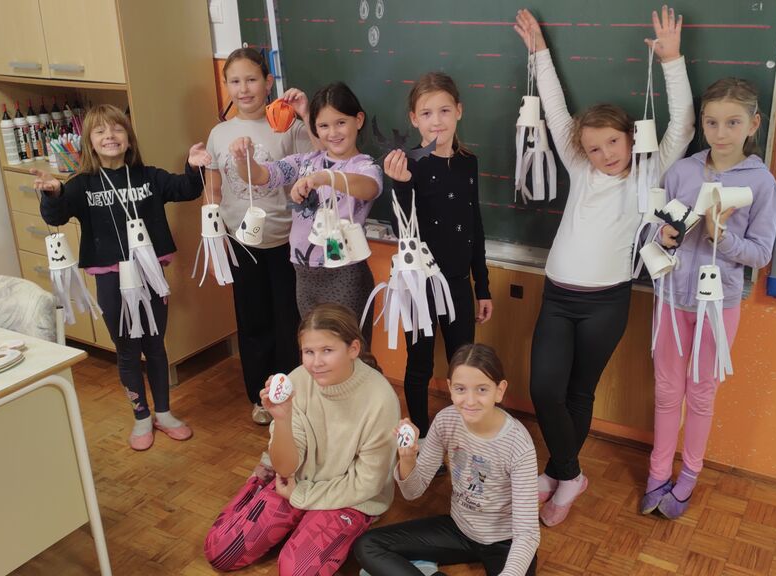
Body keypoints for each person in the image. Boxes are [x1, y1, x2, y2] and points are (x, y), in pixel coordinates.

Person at [513, 5, 695, 525]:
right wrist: (539, 52)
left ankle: (558, 473)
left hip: (606, 303)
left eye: (613, 141)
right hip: (558, 296)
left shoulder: (649, 169)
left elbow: (683, 122)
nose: (605, 153)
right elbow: (554, 110)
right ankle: (571, 474)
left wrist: (672, 60)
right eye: (594, 148)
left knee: (578, 391)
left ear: (631, 137)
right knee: (544, 388)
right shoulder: (580, 168)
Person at [641, 77, 776, 519]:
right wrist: (662, 236)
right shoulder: (682, 171)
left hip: (717, 307)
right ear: (702, 123)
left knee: (701, 394)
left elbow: (760, 254)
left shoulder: (761, 184)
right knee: (667, 390)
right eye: (712, 122)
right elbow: (651, 229)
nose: (721, 133)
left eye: (733, 122)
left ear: (753, 125)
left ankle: (689, 475)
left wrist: (723, 236)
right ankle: (657, 472)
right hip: (670, 298)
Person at [35, 104, 210, 450]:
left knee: (155, 345)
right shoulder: (81, 185)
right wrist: (52, 193)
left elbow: (186, 189)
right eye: (100, 131)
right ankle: (141, 416)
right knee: (127, 350)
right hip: (110, 279)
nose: (110, 136)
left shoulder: (149, 177)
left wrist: (193, 166)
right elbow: (55, 216)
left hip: (149, 275)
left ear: (129, 138)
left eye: (117, 129)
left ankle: (163, 413)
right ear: (90, 142)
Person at [204, 303, 400, 575]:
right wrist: (282, 419)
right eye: (308, 352)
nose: (316, 363)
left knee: (296, 571)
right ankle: (263, 488)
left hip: (349, 497)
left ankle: (308, 516)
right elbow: (285, 468)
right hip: (297, 480)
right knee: (220, 551)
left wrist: (303, 496)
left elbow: (367, 483)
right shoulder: (297, 381)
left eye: (327, 350)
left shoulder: (381, 399)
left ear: (353, 349)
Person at [354, 343, 538, 576]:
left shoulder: (518, 445)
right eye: (460, 389)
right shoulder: (445, 421)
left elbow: (527, 534)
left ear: (499, 390)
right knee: (367, 545)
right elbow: (413, 492)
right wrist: (407, 457)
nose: (470, 401)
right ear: (450, 388)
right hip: (458, 530)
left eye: (482, 389)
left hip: (504, 543)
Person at [205, 47, 313, 425]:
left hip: (285, 241)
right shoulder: (219, 133)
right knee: (252, 321)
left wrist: (305, 115)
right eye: (235, 81)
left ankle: (289, 393)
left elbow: (319, 158)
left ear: (268, 83)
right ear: (226, 86)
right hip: (241, 243)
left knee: (288, 322)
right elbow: (214, 188)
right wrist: (214, 235)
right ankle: (260, 396)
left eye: (251, 80)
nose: (244, 89)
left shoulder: (287, 126)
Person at [383, 71, 493, 442]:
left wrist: (483, 287)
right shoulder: (409, 166)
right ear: (414, 119)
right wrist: (400, 185)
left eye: (444, 111)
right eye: (427, 113)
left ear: (459, 111)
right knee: (420, 363)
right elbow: (402, 230)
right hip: (420, 286)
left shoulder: (468, 162)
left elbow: (475, 227)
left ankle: (464, 432)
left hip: (459, 284)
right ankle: (421, 435)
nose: (437, 121)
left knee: (465, 364)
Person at [230, 83, 382, 342]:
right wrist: (244, 160)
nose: (333, 132)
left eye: (341, 123)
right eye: (324, 126)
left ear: (358, 120)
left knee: (348, 348)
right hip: (304, 274)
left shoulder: (365, 166)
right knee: (315, 346)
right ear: (315, 128)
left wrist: (325, 177)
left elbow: (369, 188)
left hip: (345, 274)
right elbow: (261, 176)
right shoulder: (304, 161)